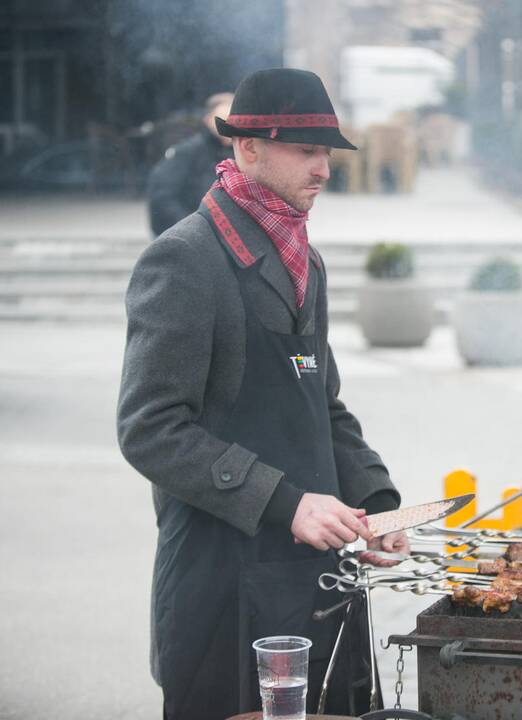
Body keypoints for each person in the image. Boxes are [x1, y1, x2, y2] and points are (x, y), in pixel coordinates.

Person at [117, 68, 408, 719]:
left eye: (327, 151)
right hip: (223, 583)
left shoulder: (308, 262)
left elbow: (322, 404)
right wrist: (285, 500)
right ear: (246, 148)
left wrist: (375, 500)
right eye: (306, 150)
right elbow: (150, 428)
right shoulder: (185, 259)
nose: (324, 168)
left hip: (312, 576)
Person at [146, 92, 235, 237]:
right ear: (207, 120)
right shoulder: (188, 152)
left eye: (232, 121)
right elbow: (163, 197)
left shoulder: (247, 154)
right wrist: (192, 230)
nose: (227, 127)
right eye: (221, 120)